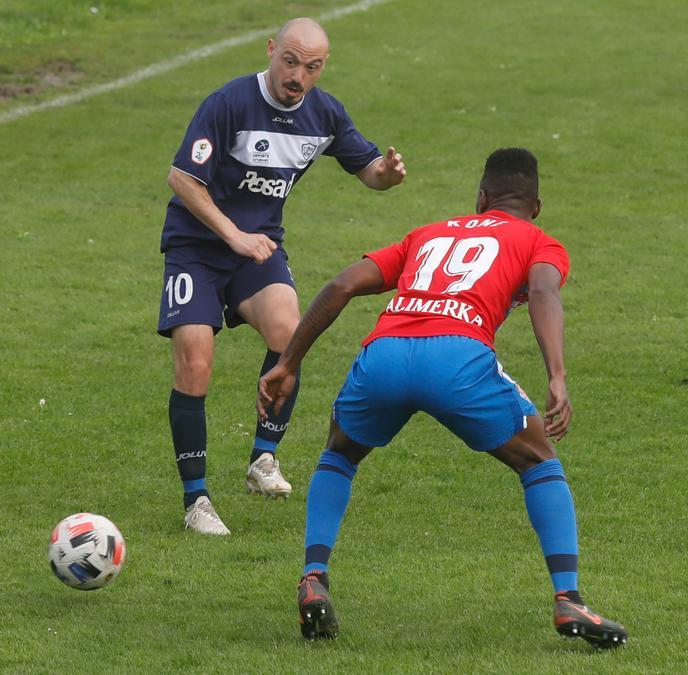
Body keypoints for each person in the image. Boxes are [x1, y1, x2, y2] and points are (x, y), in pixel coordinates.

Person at [258, 148, 626, 648]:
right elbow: (543, 293)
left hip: (384, 352)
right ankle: (568, 599)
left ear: (481, 198)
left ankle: (313, 578)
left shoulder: (427, 233)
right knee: (540, 461)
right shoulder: (539, 240)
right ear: (535, 206)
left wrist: (288, 362)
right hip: (457, 357)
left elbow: (342, 285)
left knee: (340, 454)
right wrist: (557, 375)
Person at [159, 17, 406, 534]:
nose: (297, 75)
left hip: (258, 250)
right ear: (271, 50)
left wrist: (386, 175)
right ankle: (196, 501)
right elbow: (182, 177)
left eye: (310, 67)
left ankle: (262, 458)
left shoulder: (324, 112)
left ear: (322, 67)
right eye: (289, 61)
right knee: (196, 361)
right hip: (198, 249)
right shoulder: (228, 103)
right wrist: (232, 234)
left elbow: (367, 170)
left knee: (287, 332)